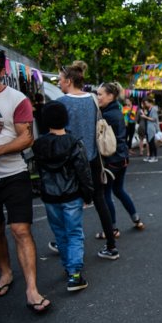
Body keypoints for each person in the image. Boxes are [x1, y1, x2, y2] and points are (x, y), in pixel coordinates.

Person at [0, 48, 51, 312]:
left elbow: (27, 138)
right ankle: (5, 273)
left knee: (20, 230)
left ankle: (32, 289)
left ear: (2, 71)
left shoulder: (16, 99)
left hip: (14, 174)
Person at [57, 60, 119, 260]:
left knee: (70, 204)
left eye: (60, 80)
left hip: (71, 161)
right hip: (93, 158)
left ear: (68, 81)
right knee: (100, 201)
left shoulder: (61, 103)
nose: (59, 83)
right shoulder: (93, 99)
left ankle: (67, 243)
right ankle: (111, 245)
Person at [32, 101, 93, 292]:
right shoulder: (74, 142)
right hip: (71, 195)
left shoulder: (39, 144)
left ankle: (68, 268)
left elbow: (38, 172)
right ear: (65, 118)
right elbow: (83, 171)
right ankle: (75, 274)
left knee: (60, 233)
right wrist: (88, 194)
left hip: (50, 197)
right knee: (74, 233)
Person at [96, 82, 145, 238]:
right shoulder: (117, 110)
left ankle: (112, 229)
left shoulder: (106, 115)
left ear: (110, 96)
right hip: (122, 158)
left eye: (100, 94)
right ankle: (136, 219)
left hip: (111, 159)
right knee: (119, 190)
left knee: (106, 193)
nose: (98, 97)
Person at [139, 97, 159, 162]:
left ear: (150, 102)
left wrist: (145, 116)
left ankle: (155, 157)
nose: (146, 104)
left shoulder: (154, 109)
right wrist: (144, 114)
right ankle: (150, 156)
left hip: (151, 127)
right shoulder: (149, 109)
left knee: (152, 143)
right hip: (148, 127)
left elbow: (154, 119)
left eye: (146, 103)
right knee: (149, 142)